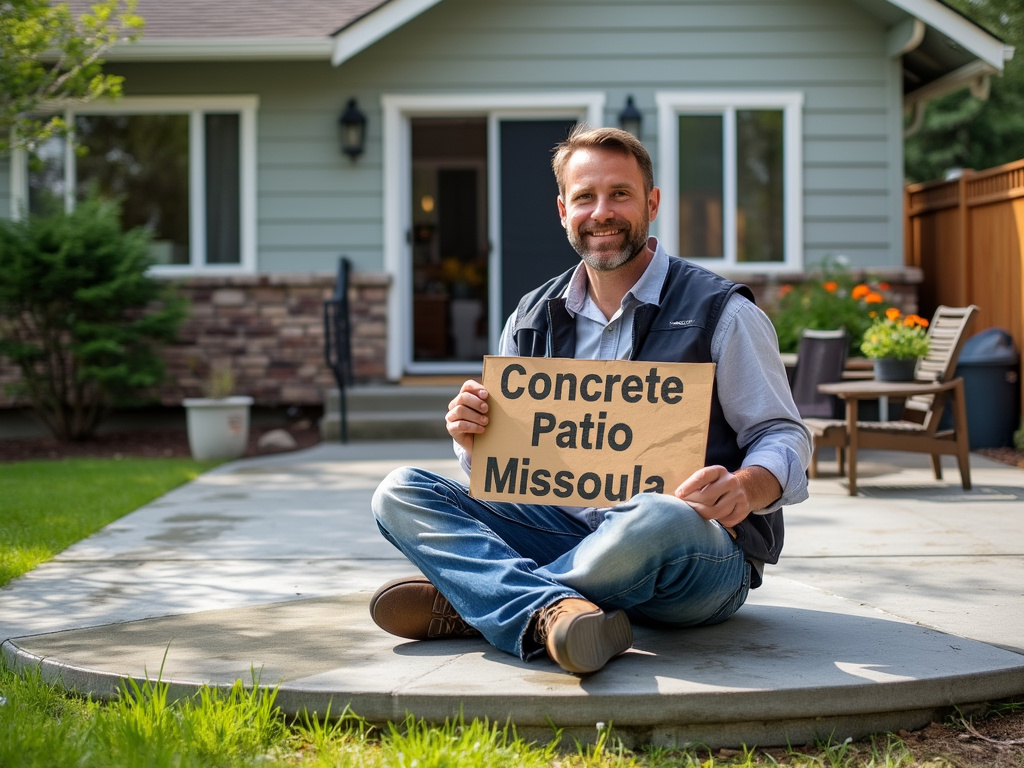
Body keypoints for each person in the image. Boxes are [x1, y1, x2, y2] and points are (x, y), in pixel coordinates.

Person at [369, 125, 811, 675]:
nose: (602, 212)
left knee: (658, 513)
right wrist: (473, 438)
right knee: (399, 491)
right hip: (565, 527)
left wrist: (748, 487)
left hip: (694, 554)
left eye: (619, 194)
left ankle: (486, 602)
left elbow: (782, 434)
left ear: (650, 203)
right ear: (563, 210)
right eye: (585, 197)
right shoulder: (529, 318)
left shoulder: (723, 312)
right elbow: (511, 469)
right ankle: (553, 611)